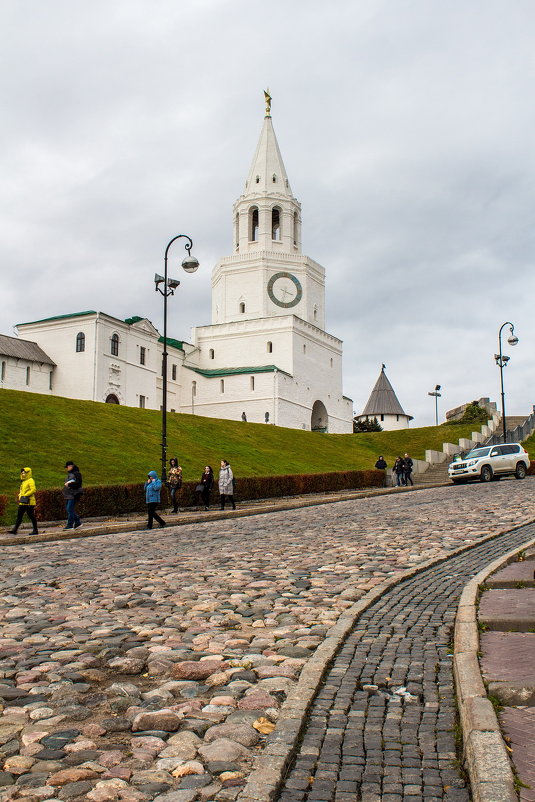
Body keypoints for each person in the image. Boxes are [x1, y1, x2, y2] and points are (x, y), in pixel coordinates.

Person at [9, 467, 39, 536]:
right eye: (22, 473)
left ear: (28, 473)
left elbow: (33, 489)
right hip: (23, 501)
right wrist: (20, 495)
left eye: (24, 473)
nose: (23, 474)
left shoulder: (30, 480)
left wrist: (25, 495)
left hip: (29, 502)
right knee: (19, 515)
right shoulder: (24, 481)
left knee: (31, 515)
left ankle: (35, 530)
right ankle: (15, 529)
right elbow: (22, 491)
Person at [63, 461, 83, 530]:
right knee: (69, 509)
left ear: (71, 466)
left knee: (69, 509)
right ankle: (77, 521)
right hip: (68, 494)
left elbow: (78, 483)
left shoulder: (76, 474)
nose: (67, 469)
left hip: (73, 494)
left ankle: (70, 524)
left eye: (67, 467)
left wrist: (69, 484)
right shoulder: (71, 474)